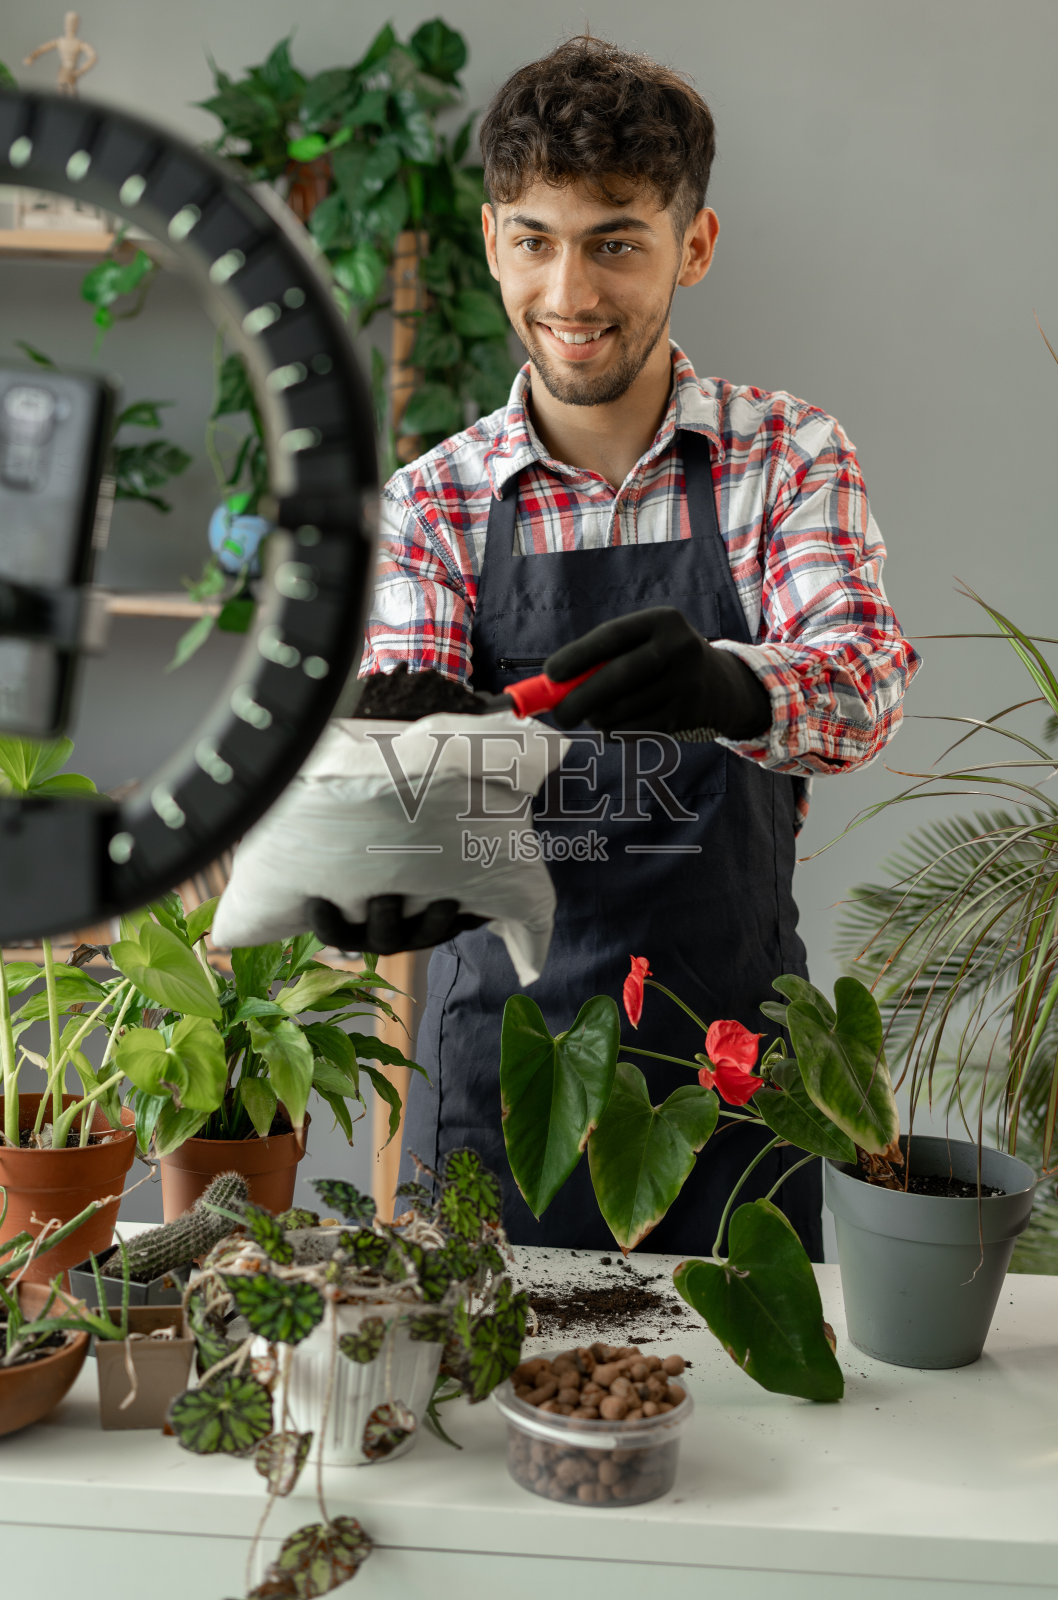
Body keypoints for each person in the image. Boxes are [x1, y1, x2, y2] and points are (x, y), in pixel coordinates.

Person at [313, 35, 920, 1257]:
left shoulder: (783, 456)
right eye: (533, 238)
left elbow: (859, 690)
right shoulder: (434, 505)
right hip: (503, 1074)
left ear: (690, 247)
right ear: (493, 243)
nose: (568, 294)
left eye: (614, 243)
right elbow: (410, 806)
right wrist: (385, 867)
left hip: (732, 1070)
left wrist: (730, 685)